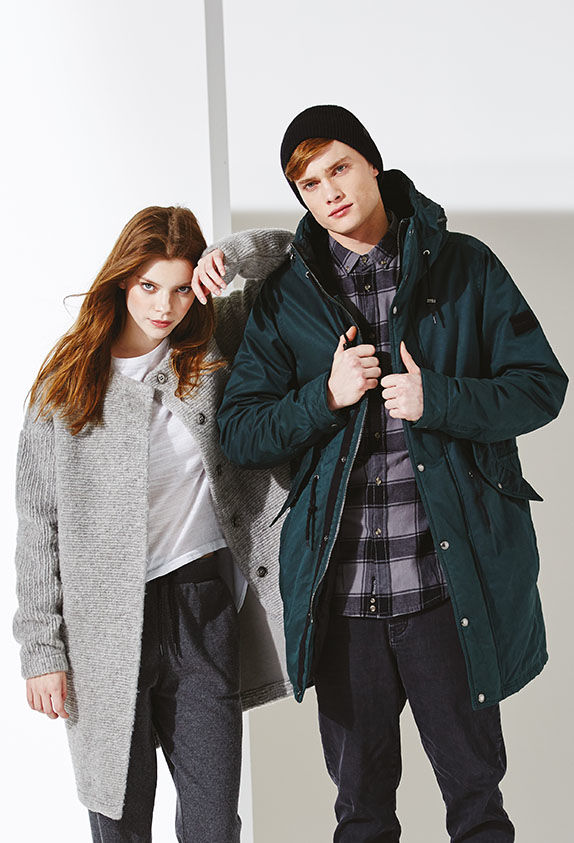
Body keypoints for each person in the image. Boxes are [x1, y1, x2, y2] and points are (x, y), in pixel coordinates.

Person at [203, 105, 568, 841]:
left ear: (372, 162)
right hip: (342, 602)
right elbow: (239, 431)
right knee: (362, 814)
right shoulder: (287, 296)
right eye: (309, 184)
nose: (329, 192)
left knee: (477, 805)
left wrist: (443, 400)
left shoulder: (464, 266)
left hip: (446, 589)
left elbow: (541, 386)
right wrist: (324, 396)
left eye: (338, 168)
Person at [13, 205, 293, 842]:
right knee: (119, 822)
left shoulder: (215, 343)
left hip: (201, 607)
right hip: (103, 627)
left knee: (214, 825)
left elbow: (296, 254)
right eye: (148, 286)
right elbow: (38, 522)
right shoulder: (67, 383)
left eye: (180, 288)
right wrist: (42, 650)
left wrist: (232, 256)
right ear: (121, 281)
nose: (164, 306)